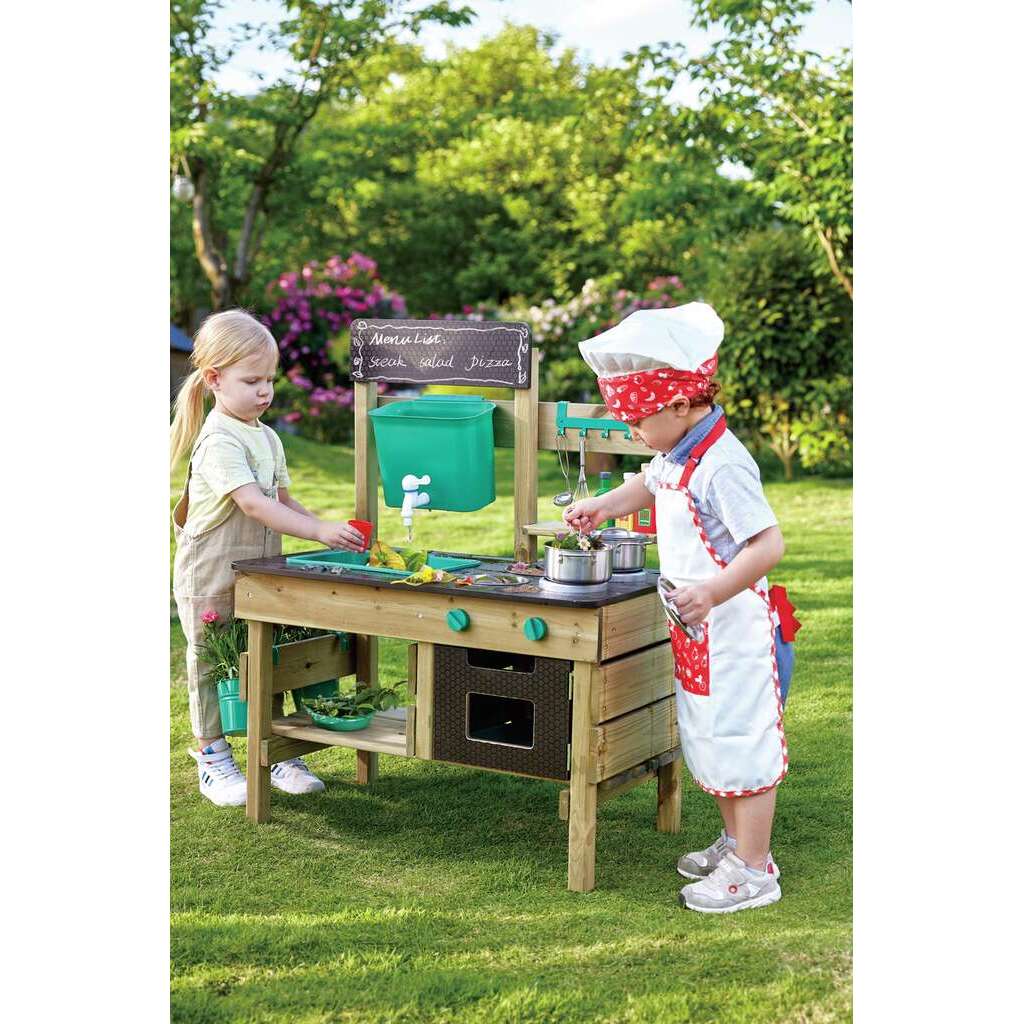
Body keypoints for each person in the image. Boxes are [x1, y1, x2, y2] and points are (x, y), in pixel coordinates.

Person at [563, 302, 799, 914]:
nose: (632, 430)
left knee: (742, 740)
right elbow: (650, 482)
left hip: (735, 628)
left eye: (637, 419)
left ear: (678, 404)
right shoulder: (680, 450)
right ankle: (735, 842)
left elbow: (768, 543)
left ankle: (754, 870)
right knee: (711, 737)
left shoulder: (722, 464)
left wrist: (714, 592)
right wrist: (604, 506)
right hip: (698, 627)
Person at [170, 310, 367, 807]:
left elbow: (282, 500)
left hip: (258, 572)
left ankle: (275, 750)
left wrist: (328, 530)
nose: (265, 391)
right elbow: (254, 505)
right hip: (211, 571)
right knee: (213, 663)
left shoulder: (266, 435)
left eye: (270, 380)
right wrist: (318, 528)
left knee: (264, 652)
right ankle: (213, 758)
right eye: (251, 380)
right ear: (214, 379)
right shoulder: (218, 438)